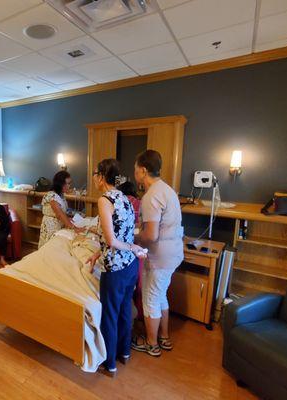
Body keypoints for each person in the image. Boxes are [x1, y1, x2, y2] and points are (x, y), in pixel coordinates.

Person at [86, 159, 146, 377]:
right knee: (124, 311)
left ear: (101, 176)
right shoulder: (125, 197)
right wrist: (97, 253)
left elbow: (112, 240)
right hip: (130, 266)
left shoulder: (105, 199)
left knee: (109, 315)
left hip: (116, 270)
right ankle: (124, 353)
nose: (93, 177)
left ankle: (109, 363)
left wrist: (131, 246)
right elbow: (121, 233)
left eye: (95, 173)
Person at [132, 150, 184, 357]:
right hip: (173, 254)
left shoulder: (151, 195)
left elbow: (151, 236)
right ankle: (164, 337)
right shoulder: (168, 190)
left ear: (143, 171)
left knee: (151, 299)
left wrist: (132, 240)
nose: (135, 175)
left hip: (160, 256)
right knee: (161, 296)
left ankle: (151, 344)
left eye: (136, 171)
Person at [38, 170, 79, 248]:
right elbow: (59, 214)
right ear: (61, 184)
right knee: (49, 248)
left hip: (59, 225)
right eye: (68, 183)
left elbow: (62, 212)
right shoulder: (51, 195)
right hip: (51, 227)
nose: (70, 186)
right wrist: (74, 228)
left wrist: (68, 219)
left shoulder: (61, 195)